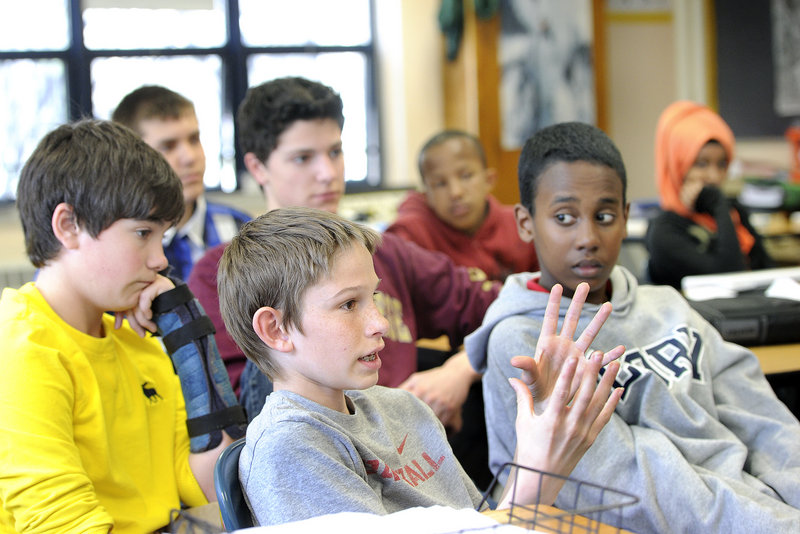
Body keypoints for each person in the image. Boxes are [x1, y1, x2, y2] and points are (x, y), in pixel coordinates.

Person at [465, 121, 800, 533]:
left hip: (756, 511)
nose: (588, 237)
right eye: (564, 217)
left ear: (626, 217)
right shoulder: (521, 344)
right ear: (526, 222)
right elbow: (630, 488)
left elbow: (765, 422)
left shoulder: (668, 305)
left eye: (604, 215)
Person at [217, 206, 623, 526]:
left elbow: (487, 523)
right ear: (276, 329)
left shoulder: (404, 409)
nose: (380, 323)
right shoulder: (290, 449)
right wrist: (536, 468)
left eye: (373, 297)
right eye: (348, 304)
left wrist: (548, 452)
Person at [0, 119, 246, 533]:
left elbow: (214, 492)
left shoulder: (140, 345)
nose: (160, 261)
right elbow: (60, 523)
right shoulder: (23, 348)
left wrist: (188, 335)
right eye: (142, 233)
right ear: (68, 226)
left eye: (162, 237)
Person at [112, 85, 251, 281]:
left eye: (194, 140)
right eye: (168, 146)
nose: (189, 157)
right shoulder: (117, 244)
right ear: (131, 159)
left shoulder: (241, 229)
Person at [644, 100, 773, 289]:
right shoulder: (665, 230)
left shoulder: (735, 214)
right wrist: (718, 204)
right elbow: (730, 277)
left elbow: (770, 272)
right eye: (701, 164)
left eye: (721, 165)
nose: (713, 177)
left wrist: (719, 207)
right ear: (676, 166)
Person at [385, 130, 538, 282]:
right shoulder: (414, 234)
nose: (455, 192)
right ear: (427, 195)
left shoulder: (522, 225)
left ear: (489, 180)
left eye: (466, 176)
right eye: (439, 184)